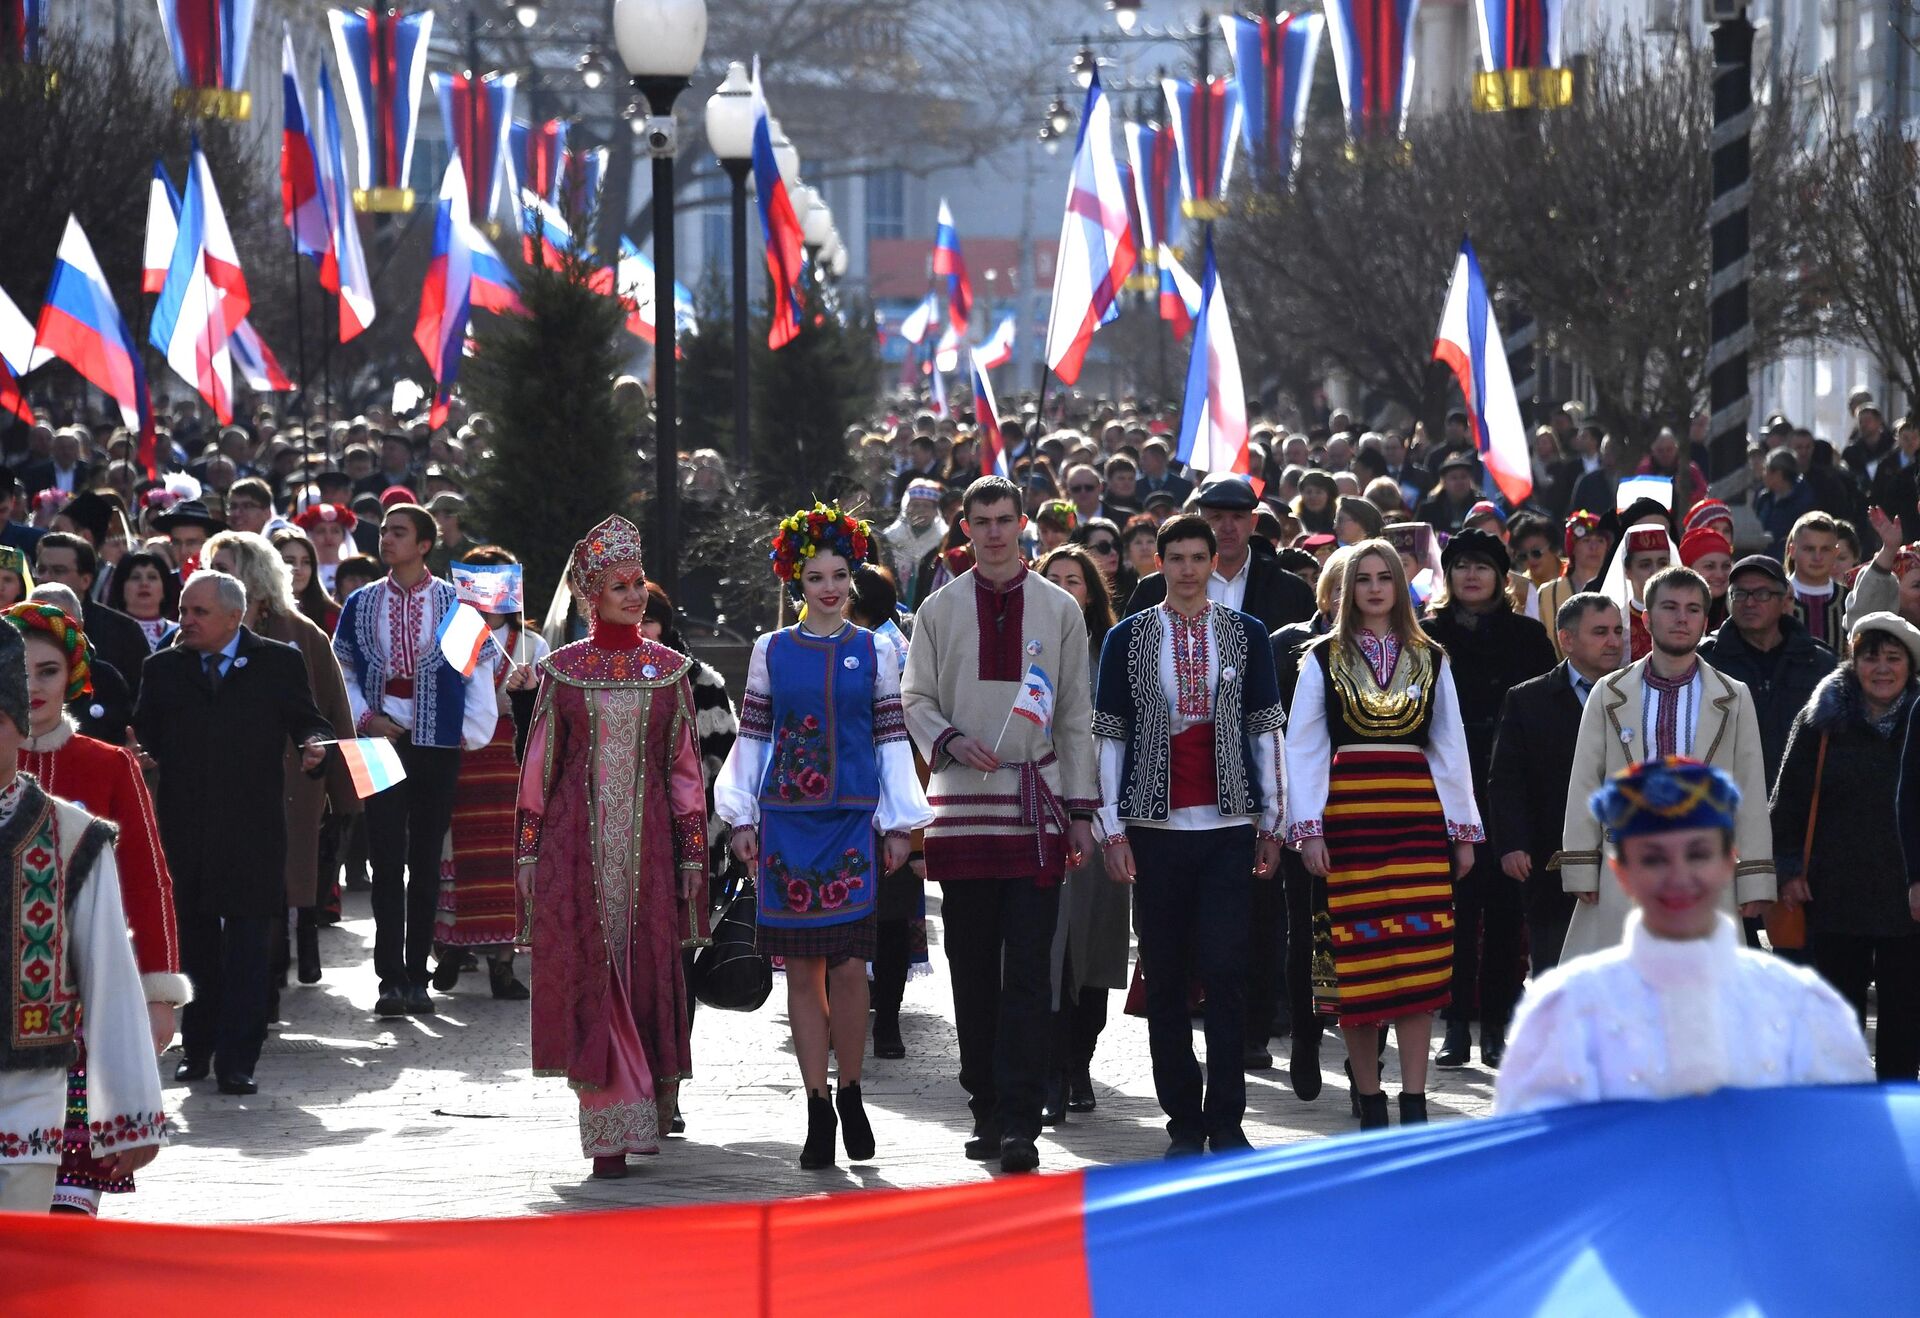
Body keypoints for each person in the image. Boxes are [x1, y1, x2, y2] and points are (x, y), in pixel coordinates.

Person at [715, 505, 931, 1170]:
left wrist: (900, 822)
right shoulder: (770, 651)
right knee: (802, 974)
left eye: (840, 575)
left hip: (853, 823)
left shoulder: (876, 649)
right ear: (796, 582)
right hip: (785, 824)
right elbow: (752, 736)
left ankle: (853, 1090)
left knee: (848, 970)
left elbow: (892, 736)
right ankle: (815, 1105)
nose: (830, 587)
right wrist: (741, 817)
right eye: (816, 577)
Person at [901, 475, 1098, 1175]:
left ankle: (1020, 1117)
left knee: (1030, 973)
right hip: (961, 810)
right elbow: (913, 696)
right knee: (973, 969)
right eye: (981, 520)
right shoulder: (938, 608)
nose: (993, 532)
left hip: (1034, 805)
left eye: (1004, 519)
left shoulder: (1059, 608)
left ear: (1023, 525)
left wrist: (1081, 809)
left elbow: (1076, 711)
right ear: (966, 527)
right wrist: (948, 738)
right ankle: (984, 1104)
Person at [1496, 758, 1871, 1116]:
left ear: (1729, 862)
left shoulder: (1805, 1008)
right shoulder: (1563, 1011)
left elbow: (1848, 1147)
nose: (1678, 877)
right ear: (1621, 871)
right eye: (1653, 858)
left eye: (1698, 854)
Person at [514, 516, 712, 1179]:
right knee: (596, 972)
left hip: (650, 844)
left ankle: (646, 1102)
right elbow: (540, 766)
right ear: (591, 596)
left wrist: (691, 855)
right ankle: (607, 1132)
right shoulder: (563, 672)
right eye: (618, 586)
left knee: (642, 968)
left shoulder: (669, 672)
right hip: (577, 847)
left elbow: (685, 771)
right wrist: (530, 853)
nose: (633, 596)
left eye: (638, 584)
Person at [1095, 515, 1285, 1157]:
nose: (1185, 569)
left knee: (1229, 971)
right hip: (1155, 827)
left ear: (1212, 562)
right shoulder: (1127, 638)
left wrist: (1272, 819)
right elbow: (1110, 735)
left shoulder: (1247, 634)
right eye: (1174, 557)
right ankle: (1182, 1119)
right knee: (1168, 976)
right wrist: (1112, 829)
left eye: (1197, 557)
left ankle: (1228, 1119)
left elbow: (1264, 729)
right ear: (1159, 563)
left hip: (1230, 824)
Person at [1284, 540, 1483, 1129]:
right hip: (1349, 823)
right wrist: (1309, 828)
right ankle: (1371, 1100)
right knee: (1359, 964)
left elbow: (1450, 746)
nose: (1373, 588)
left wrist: (1463, 830)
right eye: (1362, 579)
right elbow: (1304, 747)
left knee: (1419, 961)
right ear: (1346, 591)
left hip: (1416, 821)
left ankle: (1415, 1102)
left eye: (1384, 577)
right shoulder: (1320, 658)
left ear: (1400, 585)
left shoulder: (1432, 657)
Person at [5, 604, 187, 1216]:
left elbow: (147, 880)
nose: (32, 687)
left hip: (83, 1010)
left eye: (47, 671)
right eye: (18, 673)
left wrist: (158, 993)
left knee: (66, 1203)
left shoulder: (107, 763)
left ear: (72, 677)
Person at [134, 572, 332, 1096]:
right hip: (188, 827)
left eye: (198, 612)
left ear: (233, 616)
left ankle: (239, 1059)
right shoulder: (163, 668)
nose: (186, 621)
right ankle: (196, 1048)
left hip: (252, 829)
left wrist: (315, 748)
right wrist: (140, 753)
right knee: (195, 943)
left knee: (248, 948)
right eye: (183, 610)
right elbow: (143, 732)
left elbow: (309, 723)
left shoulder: (278, 661)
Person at [1556, 566, 1777, 961]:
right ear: (1646, 617)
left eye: (1693, 609)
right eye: (1670, 607)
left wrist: (1755, 876)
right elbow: (1586, 781)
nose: (1681, 618)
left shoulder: (1733, 695)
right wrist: (1580, 865)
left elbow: (1748, 786)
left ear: (1706, 621)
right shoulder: (1609, 693)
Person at [332, 503, 497, 1017]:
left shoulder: (458, 605)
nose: (387, 539)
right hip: (376, 741)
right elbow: (344, 671)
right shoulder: (360, 604)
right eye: (384, 531)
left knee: (425, 858)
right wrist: (365, 719)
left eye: (398, 532)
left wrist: (469, 732)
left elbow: (479, 674)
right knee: (384, 855)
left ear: (424, 544)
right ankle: (389, 977)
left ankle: (417, 975)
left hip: (435, 743)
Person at [1422, 529, 1557, 1069]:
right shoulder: (1427, 636)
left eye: (1482, 567)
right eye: (1461, 566)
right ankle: (1454, 1023)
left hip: (1510, 781)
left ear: (1503, 578)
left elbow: (1543, 712)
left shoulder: (1527, 637)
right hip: (1444, 780)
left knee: (1505, 911)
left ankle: (1497, 1024)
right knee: (1452, 908)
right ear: (1448, 576)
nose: (1471, 575)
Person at [205, 531, 360, 991]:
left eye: (225, 567)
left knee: (278, 885)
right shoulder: (199, 632)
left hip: (290, 778)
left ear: (252, 573)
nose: (214, 576)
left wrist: (345, 793)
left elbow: (332, 710)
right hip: (219, 781)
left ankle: (268, 983)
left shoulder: (301, 634)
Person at [1769, 613, 1920, 1082]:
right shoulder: (1821, 719)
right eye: (1870, 657)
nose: (1881, 669)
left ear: (1910, 666)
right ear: (1853, 662)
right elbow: (1787, 798)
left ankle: (1898, 1112)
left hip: (1908, 896)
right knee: (1838, 1017)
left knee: (1905, 1018)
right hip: (1833, 892)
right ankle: (1846, 1117)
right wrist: (1789, 869)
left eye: (1893, 659)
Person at [1036, 544, 1130, 1122]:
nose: (1066, 588)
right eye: (1055, 580)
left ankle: (1079, 1064)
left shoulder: (1115, 652)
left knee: (1093, 950)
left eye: (1076, 580)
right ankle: (1048, 1070)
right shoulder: (1030, 650)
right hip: (1036, 809)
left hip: (1102, 814)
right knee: (1043, 952)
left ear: (1091, 592)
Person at [432, 547, 548, 1000]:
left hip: (514, 763)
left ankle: (503, 964)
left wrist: (527, 692)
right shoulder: (454, 637)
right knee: (459, 858)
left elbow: (548, 704)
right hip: (464, 760)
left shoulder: (533, 646)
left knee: (508, 859)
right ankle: (448, 952)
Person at [1489, 594, 1625, 977]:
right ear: (1566, 639)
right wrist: (1512, 843)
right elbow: (1507, 779)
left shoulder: (1640, 693)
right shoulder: (1527, 699)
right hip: (1552, 863)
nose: (1613, 641)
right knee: (1557, 974)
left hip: (1627, 863)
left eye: (1617, 631)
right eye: (1600, 632)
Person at [1697, 554, 1836, 793]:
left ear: (1784, 601)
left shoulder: (1819, 663)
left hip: (1801, 802)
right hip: (1725, 800)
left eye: (1762, 594)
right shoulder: (1706, 661)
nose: (1749, 602)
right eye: (1740, 594)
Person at [1128, 473, 1314, 630]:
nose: (1227, 527)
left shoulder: (1290, 591)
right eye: (1216, 517)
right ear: (1199, 520)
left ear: (1253, 523)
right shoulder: (1155, 589)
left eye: (1237, 517)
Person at [34, 532, 149, 702]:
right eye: (41, 569)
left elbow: (139, 699)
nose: (44, 578)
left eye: (58, 570)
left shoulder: (122, 631)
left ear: (85, 580)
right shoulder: (13, 624)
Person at [1783, 512, 1852, 655]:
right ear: (1792, 551)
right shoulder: (1774, 597)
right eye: (1809, 549)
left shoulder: (1849, 601)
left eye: (1825, 549)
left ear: (1835, 552)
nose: (1817, 557)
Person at [881, 478, 947, 609]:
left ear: (936, 511)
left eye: (926, 506)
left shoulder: (943, 539)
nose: (920, 510)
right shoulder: (890, 537)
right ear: (906, 507)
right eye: (915, 505)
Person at [103, 550, 180, 652]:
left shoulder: (179, 633)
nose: (144, 583)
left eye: (152, 577)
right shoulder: (105, 633)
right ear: (121, 587)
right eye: (135, 577)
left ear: (164, 588)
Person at [271, 528, 340, 633]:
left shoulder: (332, 615)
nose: (298, 568)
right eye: (289, 561)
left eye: (306, 562)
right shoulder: (259, 613)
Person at [1678, 526, 1734, 633]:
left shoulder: (1740, 610)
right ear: (1688, 569)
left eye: (1726, 566)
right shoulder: (1673, 612)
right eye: (1709, 566)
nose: (1720, 574)